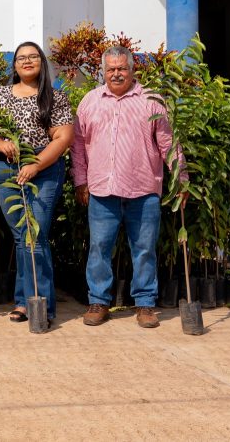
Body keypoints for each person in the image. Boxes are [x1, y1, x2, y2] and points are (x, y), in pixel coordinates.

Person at [73, 45, 186, 329]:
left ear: (132, 69)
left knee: (145, 248)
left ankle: (145, 304)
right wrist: (80, 181)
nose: (116, 74)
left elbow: (167, 143)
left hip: (143, 189)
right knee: (99, 247)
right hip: (102, 190)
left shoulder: (151, 100)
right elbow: (78, 146)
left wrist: (181, 179)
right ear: (103, 71)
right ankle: (99, 301)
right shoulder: (89, 101)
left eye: (122, 68)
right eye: (110, 69)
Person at [0, 41, 73, 326]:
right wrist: (1, 142)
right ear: (15, 65)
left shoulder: (55, 98)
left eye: (33, 56)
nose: (27, 61)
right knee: (23, 237)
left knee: (36, 236)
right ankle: (25, 301)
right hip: (7, 171)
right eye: (21, 58)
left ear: (42, 63)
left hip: (44, 171)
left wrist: (35, 165)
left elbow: (62, 138)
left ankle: (39, 304)